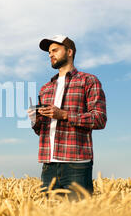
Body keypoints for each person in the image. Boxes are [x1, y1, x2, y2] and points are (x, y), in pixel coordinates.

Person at [28, 35, 107, 201]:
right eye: (49, 52)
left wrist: (64, 115)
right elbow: (41, 131)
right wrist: (35, 121)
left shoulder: (88, 81)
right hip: (48, 165)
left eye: (55, 50)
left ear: (69, 52)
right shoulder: (45, 88)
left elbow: (99, 118)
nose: (50, 55)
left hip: (76, 164)